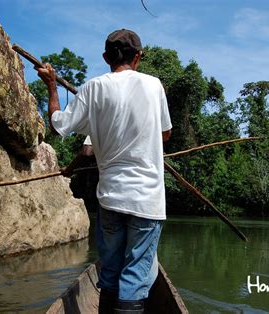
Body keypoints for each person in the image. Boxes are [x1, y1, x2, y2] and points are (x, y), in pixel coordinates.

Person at [36, 29, 172, 314]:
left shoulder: (92, 88)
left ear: (105, 57)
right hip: (146, 200)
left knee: (109, 274)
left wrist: (51, 86)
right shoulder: (154, 85)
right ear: (138, 57)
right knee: (135, 276)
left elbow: (58, 125)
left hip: (111, 199)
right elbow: (165, 135)